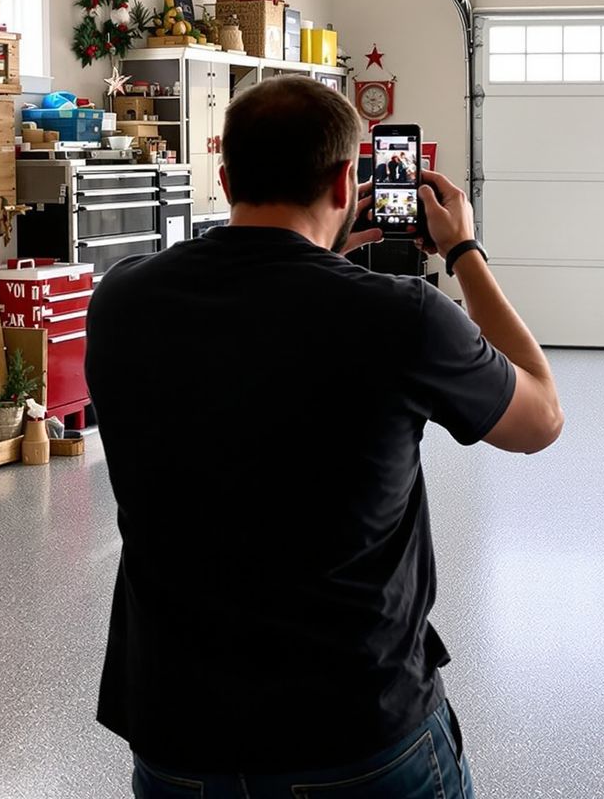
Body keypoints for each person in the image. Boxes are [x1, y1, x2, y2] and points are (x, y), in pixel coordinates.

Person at [87, 78, 563, 799]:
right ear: (346, 182)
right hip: (355, 730)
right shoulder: (403, 317)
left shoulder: (121, 298)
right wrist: (464, 249)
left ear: (226, 179)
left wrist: (324, 253)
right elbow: (539, 419)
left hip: (178, 733)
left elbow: (253, 335)